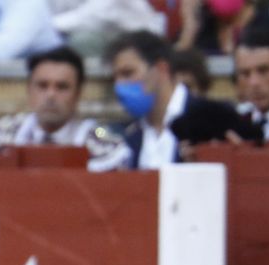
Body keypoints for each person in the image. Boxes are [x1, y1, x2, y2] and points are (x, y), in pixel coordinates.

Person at [106, 29, 257, 168]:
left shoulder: (216, 116)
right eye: (115, 78)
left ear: (161, 68)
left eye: (128, 73)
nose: (119, 85)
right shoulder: (127, 133)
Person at [0, 47, 130, 171]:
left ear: (78, 93)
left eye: (62, 87)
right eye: (42, 86)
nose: (51, 95)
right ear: (29, 90)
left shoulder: (103, 142)